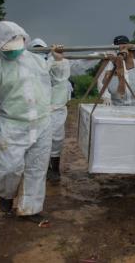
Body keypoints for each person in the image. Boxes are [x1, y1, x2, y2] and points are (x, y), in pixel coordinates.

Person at [0, 21, 70, 222]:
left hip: (41, 124)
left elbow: (58, 81)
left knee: (36, 168)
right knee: (9, 168)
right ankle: (6, 194)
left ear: (24, 40)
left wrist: (57, 61)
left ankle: (30, 209)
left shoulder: (36, 61)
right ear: (0, 46)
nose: (14, 52)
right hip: (12, 126)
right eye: (9, 49)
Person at [29, 38, 97, 182]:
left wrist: (101, 54)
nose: (38, 54)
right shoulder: (29, 67)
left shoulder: (56, 64)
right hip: (36, 110)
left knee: (57, 139)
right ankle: (43, 168)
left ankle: (54, 169)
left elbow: (74, 69)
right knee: (37, 140)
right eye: (35, 49)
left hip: (57, 108)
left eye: (40, 50)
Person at [98, 35, 135, 113]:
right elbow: (101, 81)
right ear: (114, 47)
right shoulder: (110, 62)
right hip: (118, 102)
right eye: (119, 46)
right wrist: (106, 96)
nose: (122, 48)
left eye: (124, 45)